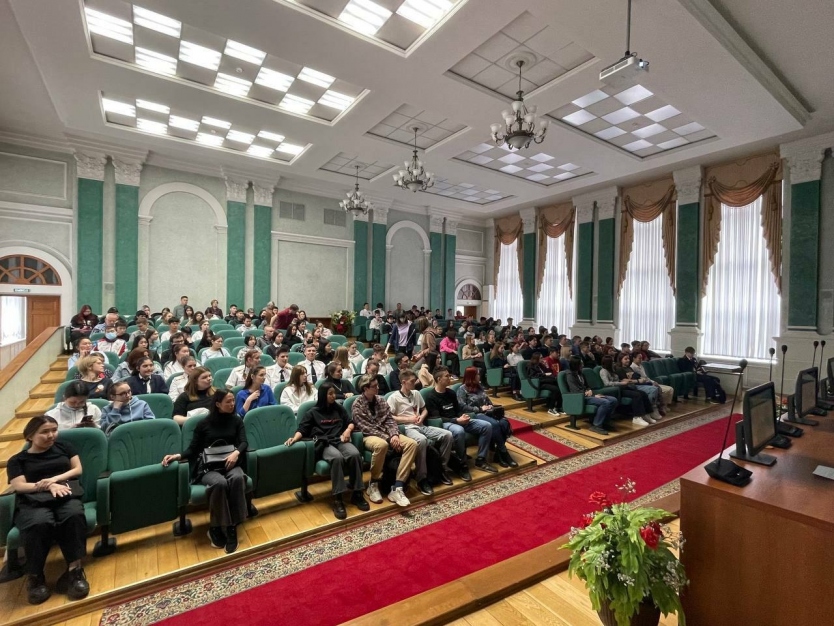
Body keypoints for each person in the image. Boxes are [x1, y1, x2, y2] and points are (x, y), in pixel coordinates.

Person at [7, 416, 90, 604]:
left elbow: (77, 470)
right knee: (39, 523)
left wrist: (54, 480)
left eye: (54, 430)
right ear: (30, 436)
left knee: (74, 515)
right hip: (33, 499)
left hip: (65, 493)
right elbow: (19, 486)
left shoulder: (65, 447)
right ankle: (35, 576)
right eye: (44, 432)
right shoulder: (17, 460)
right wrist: (47, 486)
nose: (51, 435)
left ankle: (75, 571)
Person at [162, 390, 250, 554]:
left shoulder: (236, 420)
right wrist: (178, 456)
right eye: (228, 402)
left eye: (233, 401)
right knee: (219, 483)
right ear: (218, 404)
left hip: (230, 464)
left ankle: (230, 527)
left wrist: (236, 453)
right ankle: (218, 527)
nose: (232, 404)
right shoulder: (204, 424)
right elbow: (193, 449)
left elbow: (244, 442)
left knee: (238, 478)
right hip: (209, 467)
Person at [284, 383, 368, 520]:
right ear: (323, 395)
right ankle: (338, 499)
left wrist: (348, 430)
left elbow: (351, 421)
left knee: (355, 454)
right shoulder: (313, 412)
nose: (334, 396)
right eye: (330, 394)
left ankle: (357, 493)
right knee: (337, 458)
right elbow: (302, 429)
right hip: (324, 443)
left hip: (340, 439)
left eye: (334, 393)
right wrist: (294, 438)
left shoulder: (338, 408)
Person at [351, 374, 418, 507]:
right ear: (365, 388)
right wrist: (388, 438)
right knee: (381, 445)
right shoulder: (357, 404)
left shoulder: (381, 400)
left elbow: (390, 420)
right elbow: (366, 428)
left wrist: (394, 435)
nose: (378, 387)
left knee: (412, 444)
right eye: (374, 386)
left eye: (377, 385)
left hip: (387, 433)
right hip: (369, 435)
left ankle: (397, 487)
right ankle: (373, 483)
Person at [387, 370, 454, 489]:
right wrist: (408, 419)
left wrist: (421, 417)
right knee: (422, 440)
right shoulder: (393, 398)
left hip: (421, 425)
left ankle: (442, 468)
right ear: (404, 382)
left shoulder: (416, 393)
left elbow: (425, 409)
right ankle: (421, 478)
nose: (416, 383)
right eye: (412, 381)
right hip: (407, 428)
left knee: (447, 435)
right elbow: (390, 417)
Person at [424, 367, 494, 480]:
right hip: (445, 423)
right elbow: (437, 418)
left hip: (458, 419)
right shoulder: (431, 397)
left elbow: (458, 410)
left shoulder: (451, 393)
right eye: (447, 376)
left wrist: (463, 416)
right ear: (439, 379)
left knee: (486, 426)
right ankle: (462, 464)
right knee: (459, 430)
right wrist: (456, 420)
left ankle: (481, 459)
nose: (450, 378)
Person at [456, 367, 517, 468]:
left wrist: (490, 406)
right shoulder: (462, 389)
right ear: (471, 376)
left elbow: (488, 400)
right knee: (494, 424)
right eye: (477, 374)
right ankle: (503, 452)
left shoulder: (479, 387)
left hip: (487, 413)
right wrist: (479, 408)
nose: (479, 376)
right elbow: (462, 407)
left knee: (504, 423)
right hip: (474, 414)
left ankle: (498, 455)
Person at [564, 357, 619, 436]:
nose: (583, 365)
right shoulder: (570, 376)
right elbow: (575, 390)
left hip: (588, 395)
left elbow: (587, 386)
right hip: (580, 398)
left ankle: (605, 422)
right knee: (605, 402)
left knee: (613, 400)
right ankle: (596, 425)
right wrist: (591, 395)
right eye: (581, 363)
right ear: (576, 365)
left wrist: (589, 390)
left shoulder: (581, 373)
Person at [599, 355, 656, 426]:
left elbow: (617, 379)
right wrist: (621, 383)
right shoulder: (603, 371)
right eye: (612, 362)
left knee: (643, 393)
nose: (613, 363)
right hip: (616, 390)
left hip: (622, 387)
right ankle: (636, 417)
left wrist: (623, 381)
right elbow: (607, 383)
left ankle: (646, 414)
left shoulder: (612, 371)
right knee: (637, 395)